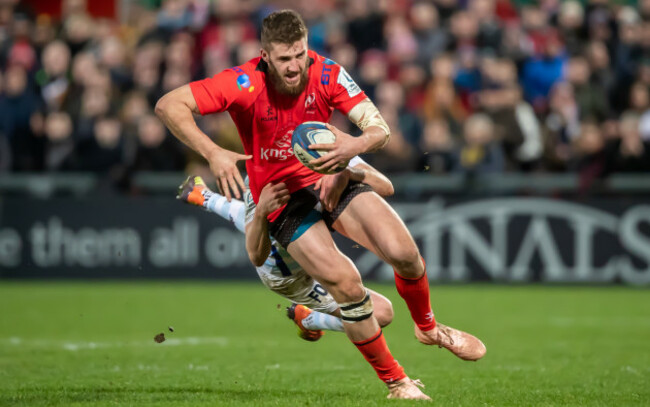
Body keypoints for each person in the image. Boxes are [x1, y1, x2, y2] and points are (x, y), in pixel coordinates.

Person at [156, 9, 485, 400]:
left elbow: (378, 127)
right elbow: (168, 105)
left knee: (405, 254)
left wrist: (353, 147)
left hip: (329, 171)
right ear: (265, 55)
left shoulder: (327, 72)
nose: (294, 66)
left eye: (300, 54)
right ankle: (398, 383)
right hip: (280, 197)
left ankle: (428, 328)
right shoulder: (243, 82)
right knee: (349, 288)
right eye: (284, 58)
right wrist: (212, 152)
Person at [177, 156, 396, 341]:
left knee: (261, 217)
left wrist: (348, 172)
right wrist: (261, 210)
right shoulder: (273, 171)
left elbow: (386, 187)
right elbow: (256, 246)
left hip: (315, 258)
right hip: (291, 275)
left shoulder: (332, 147)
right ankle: (308, 317)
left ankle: (203, 196)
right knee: (381, 314)